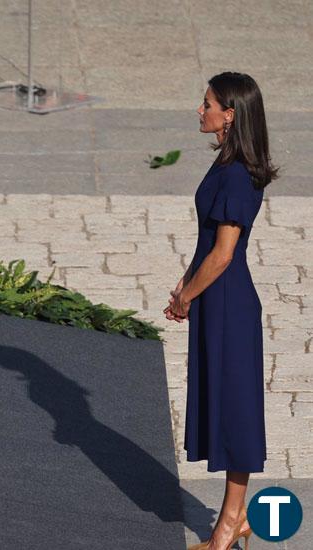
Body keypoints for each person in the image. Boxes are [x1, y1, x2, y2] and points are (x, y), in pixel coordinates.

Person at [165, 72, 277, 550]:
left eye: (206, 102)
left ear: (229, 114)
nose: (200, 109)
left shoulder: (235, 175)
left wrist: (188, 294)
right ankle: (236, 520)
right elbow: (208, 241)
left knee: (236, 412)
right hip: (218, 298)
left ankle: (230, 526)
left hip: (228, 303)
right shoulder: (227, 163)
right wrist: (186, 282)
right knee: (228, 405)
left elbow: (225, 253)